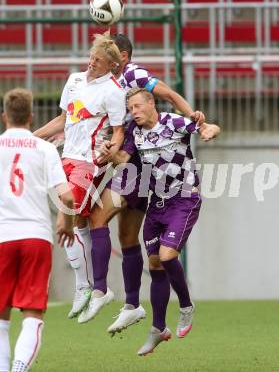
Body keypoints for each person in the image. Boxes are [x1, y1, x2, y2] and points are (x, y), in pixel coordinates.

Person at [100, 87, 220, 355]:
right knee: (154, 263)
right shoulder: (137, 133)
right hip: (157, 203)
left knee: (167, 256)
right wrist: (111, 154)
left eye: (137, 107)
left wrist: (209, 130)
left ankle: (186, 306)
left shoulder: (173, 121)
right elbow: (126, 162)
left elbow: (208, 126)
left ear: (151, 103)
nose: (134, 112)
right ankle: (158, 329)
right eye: (130, 109)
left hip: (184, 199)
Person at [33, 32, 127, 322]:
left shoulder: (113, 90)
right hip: (67, 159)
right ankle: (91, 288)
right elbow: (63, 120)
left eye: (97, 61)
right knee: (81, 221)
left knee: (68, 210)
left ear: (111, 65)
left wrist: (114, 148)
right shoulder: (74, 80)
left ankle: (90, 288)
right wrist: (31, 138)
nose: (91, 64)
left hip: (91, 162)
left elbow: (119, 130)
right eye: (90, 58)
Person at [0, 88, 74, 372]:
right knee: (32, 313)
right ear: (31, 117)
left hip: (2, 237)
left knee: (1, 319)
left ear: (5, 116)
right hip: (35, 237)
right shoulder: (44, 149)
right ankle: (20, 368)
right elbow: (67, 197)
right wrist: (65, 223)